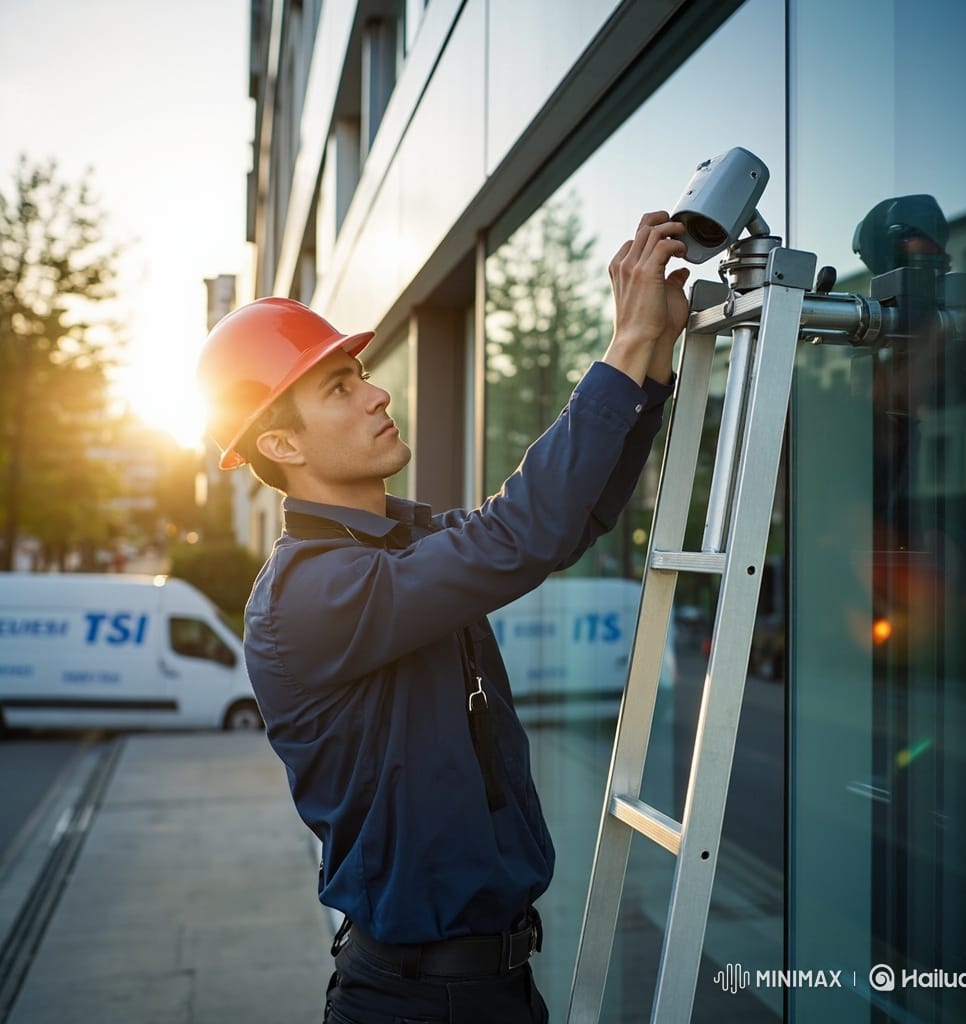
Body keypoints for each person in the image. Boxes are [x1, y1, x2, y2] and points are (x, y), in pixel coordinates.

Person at [196, 211, 690, 1024]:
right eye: (340, 387)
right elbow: (518, 535)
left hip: (493, 985)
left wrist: (652, 365)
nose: (377, 391)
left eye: (360, 372)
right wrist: (625, 344)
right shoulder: (307, 594)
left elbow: (563, 525)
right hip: (419, 1003)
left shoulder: (404, 543)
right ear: (281, 446)